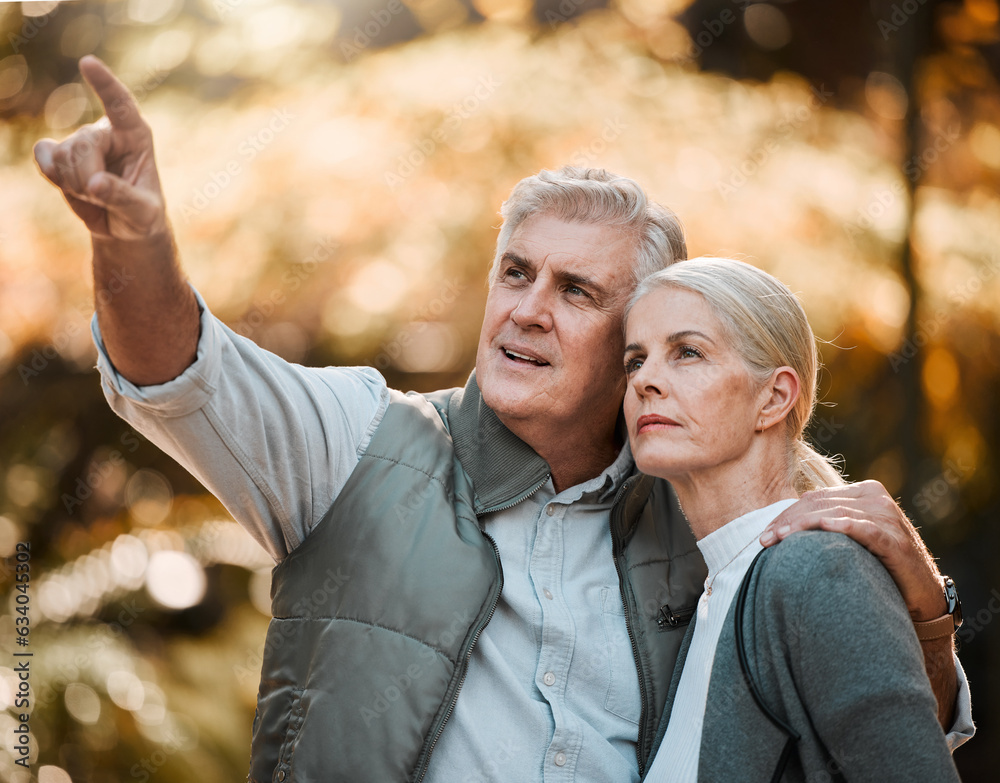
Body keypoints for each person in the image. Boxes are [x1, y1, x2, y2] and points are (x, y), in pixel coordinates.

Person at [33, 56, 972, 782]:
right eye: (516, 273)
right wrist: (136, 242)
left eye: (576, 291)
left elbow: (887, 725)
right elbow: (180, 370)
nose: (527, 309)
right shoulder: (360, 441)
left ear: (631, 338)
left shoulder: (700, 516)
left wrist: (924, 608)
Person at [623, 258, 963, 781]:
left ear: (774, 397)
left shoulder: (816, 571)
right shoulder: (718, 591)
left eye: (687, 352)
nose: (645, 379)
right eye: (635, 360)